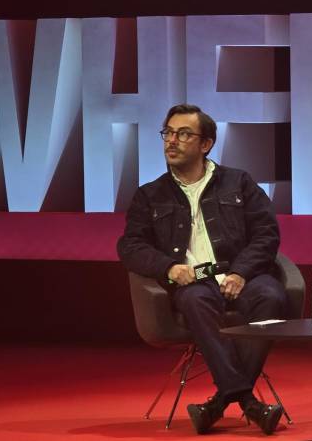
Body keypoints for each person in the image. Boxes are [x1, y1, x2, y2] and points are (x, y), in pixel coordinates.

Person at [118, 104, 287, 435]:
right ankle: (248, 403)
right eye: (168, 133)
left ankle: (220, 402)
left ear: (206, 144)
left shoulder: (239, 182)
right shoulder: (149, 195)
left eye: (183, 134)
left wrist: (241, 272)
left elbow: (267, 234)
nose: (172, 141)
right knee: (195, 300)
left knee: (271, 296)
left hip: (241, 274)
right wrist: (169, 267)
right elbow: (131, 246)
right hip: (194, 281)